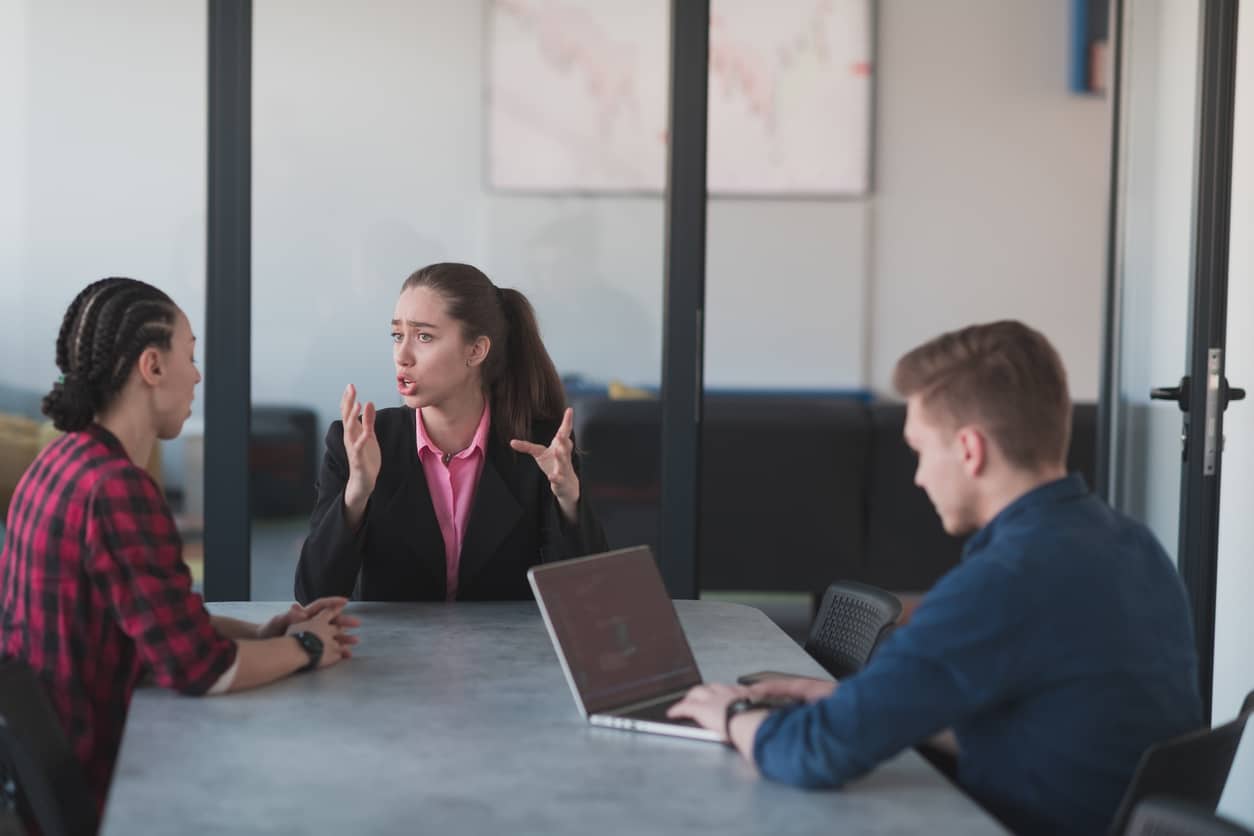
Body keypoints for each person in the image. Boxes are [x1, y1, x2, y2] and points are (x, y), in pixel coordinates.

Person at [668, 320, 1203, 836]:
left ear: (970, 449)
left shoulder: (1004, 582)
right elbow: (1058, 735)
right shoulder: (1133, 546)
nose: (919, 477)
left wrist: (731, 714)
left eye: (920, 450)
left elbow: (814, 753)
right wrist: (857, 702)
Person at [0, 278, 359, 816]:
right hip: (111, 786)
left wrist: (264, 632)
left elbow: (160, 622)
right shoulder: (115, 488)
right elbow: (201, 669)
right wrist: (307, 648)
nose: (197, 375)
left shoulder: (59, 462)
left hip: (55, 779)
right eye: (189, 356)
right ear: (152, 366)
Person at [295, 262, 607, 603]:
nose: (402, 356)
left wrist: (569, 502)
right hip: (394, 640)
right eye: (398, 335)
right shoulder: (358, 443)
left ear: (476, 350)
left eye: (424, 337)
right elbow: (314, 595)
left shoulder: (540, 448)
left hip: (504, 639)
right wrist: (356, 495)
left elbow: (590, 598)